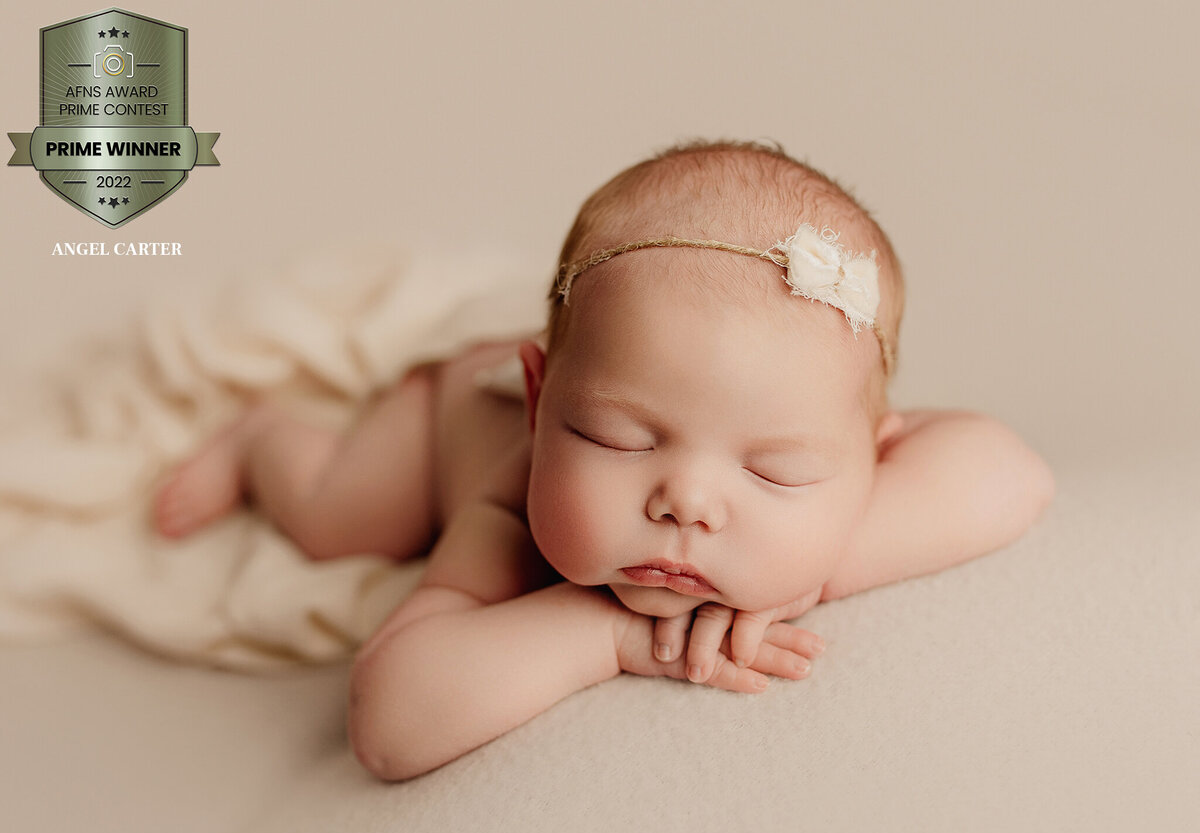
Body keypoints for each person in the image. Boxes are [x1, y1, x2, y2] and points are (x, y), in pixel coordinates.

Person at [153, 140, 1055, 780]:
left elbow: (1013, 473)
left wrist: (811, 566)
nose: (687, 501)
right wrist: (609, 634)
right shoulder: (510, 510)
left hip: (606, 360)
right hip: (446, 410)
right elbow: (388, 723)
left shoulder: (824, 432)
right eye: (617, 440)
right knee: (334, 520)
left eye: (774, 472)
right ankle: (262, 439)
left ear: (874, 456)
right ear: (543, 404)